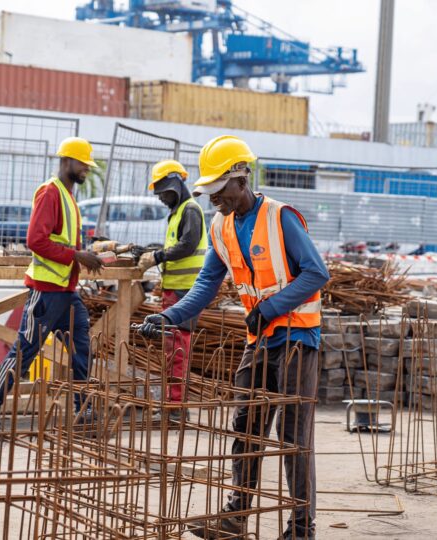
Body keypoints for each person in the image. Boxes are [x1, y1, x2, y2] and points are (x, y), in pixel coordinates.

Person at [138, 136, 329, 539]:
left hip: (298, 340)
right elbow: (207, 282)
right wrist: (168, 316)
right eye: (208, 192)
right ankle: (234, 519)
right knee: (246, 428)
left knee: (293, 438)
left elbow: (316, 273)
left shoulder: (281, 218)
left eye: (218, 190)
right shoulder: (221, 226)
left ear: (240, 178)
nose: (212, 200)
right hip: (259, 341)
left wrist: (271, 307)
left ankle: (301, 529)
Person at [0, 136, 103, 431]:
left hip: (65, 292)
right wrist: (76, 256)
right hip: (46, 292)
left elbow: (63, 240)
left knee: (82, 346)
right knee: (24, 351)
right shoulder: (51, 193)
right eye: (83, 164)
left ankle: (81, 410)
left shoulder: (69, 197)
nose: (86, 169)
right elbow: (35, 241)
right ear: (67, 161)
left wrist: (82, 255)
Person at [137, 160, 207, 422]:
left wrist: (156, 256)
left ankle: (176, 408)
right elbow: (176, 244)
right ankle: (172, 403)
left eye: (164, 192)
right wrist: (153, 251)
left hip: (185, 292)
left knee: (177, 349)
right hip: (176, 290)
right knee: (172, 349)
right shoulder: (178, 212)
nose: (162, 198)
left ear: (175, 184)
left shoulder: (190, 210)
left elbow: (187, 245)